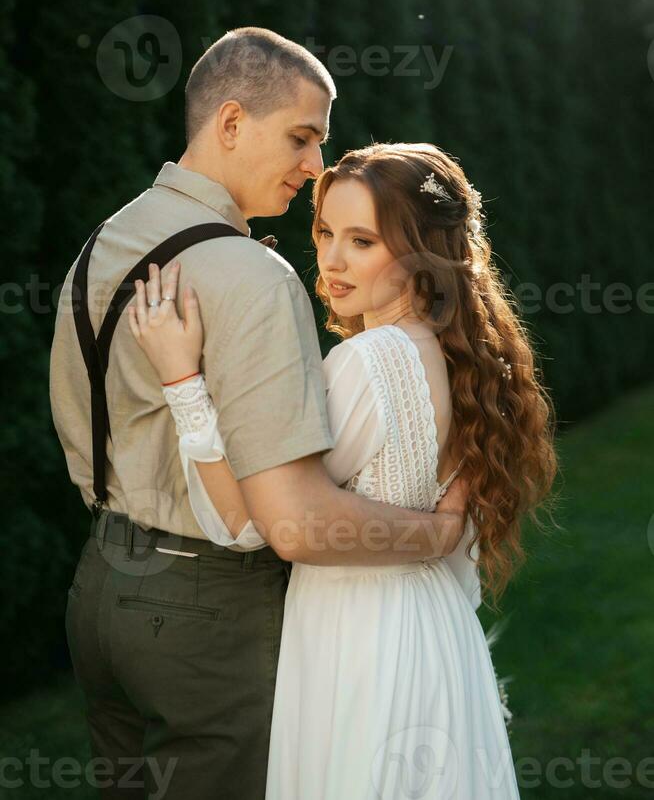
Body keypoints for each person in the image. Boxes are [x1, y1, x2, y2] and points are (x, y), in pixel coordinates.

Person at [49, 28, 468, 800]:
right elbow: (295, 526)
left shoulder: (102, 242)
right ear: (232, 122)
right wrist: (439, 534)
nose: (314, 166)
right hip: (206, 613)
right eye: (302, 137)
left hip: (99, 590)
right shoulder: (253, 275)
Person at [129, 141, 560, 798]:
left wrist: (182, 379)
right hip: (435, 625)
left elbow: (252, 519)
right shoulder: (455, 356)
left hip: (362, 639)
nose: (331, 259)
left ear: (421, 252)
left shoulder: (366, 364)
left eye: (362, 241)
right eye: (327, 231)